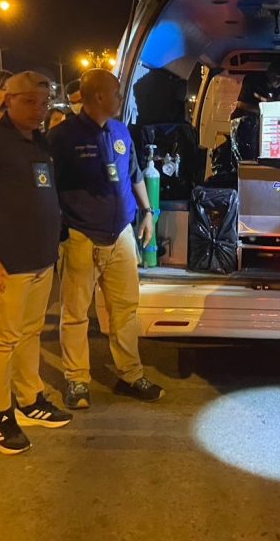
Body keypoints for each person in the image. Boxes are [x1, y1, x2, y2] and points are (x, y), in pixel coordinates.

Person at [0, 71, 73, 454]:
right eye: (29, 102)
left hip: (41, 258)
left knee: (29, 333)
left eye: (44, 103)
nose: (39, 110)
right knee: (2, 340)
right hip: (7, 261)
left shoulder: (39, 141)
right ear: (7, 100)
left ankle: (30, 400)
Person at [47, 68, 164, 409]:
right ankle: (77, 380)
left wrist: (148, 213)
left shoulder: (120, 131)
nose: (120, 97)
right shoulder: (62, 137)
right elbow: (48, 187)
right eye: (116, 91)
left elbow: (135, 175)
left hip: (122, 234)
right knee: (75, 313)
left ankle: (131, 374)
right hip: (81, 237)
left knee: (125, 309)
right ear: (98, 96)